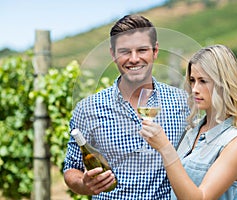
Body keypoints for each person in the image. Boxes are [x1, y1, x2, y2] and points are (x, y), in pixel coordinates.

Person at [63, 15, 190, 199]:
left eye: (142, 50)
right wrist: (84, 183)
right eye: (124, 51)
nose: (134, 59)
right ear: (113, 55)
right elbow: (71, 168)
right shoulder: (88, 109)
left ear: (155, 51)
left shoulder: (182, 103)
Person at [140, 44, 237, 200]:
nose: (195, 89)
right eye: (192, 80)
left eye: (203, 81)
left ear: (223, 84)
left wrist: (165, 148)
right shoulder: (192, 131)